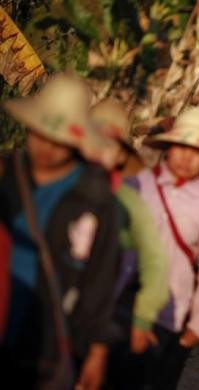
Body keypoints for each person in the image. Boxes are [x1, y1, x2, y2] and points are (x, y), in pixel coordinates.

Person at [0, 74, 121, 390]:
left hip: (48, 342)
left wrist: (97, 350)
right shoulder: (7, 177)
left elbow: (100, 279)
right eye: (40, 133)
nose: (46, 147)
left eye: (58, 140)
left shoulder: (96, 200)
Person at [134, 107, 199, 388]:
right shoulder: (139, 184)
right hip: (123, 302)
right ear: (168, 147)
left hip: (169, 311)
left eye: (197, 152)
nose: (187, 158)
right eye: (181, 147)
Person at [87, 99, 171, 388]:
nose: (97, 151)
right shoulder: (59, 187)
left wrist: (142, 318)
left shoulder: (132, 201)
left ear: (121, 155)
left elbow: (152, 263)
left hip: (109, 308)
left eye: (107, 145)